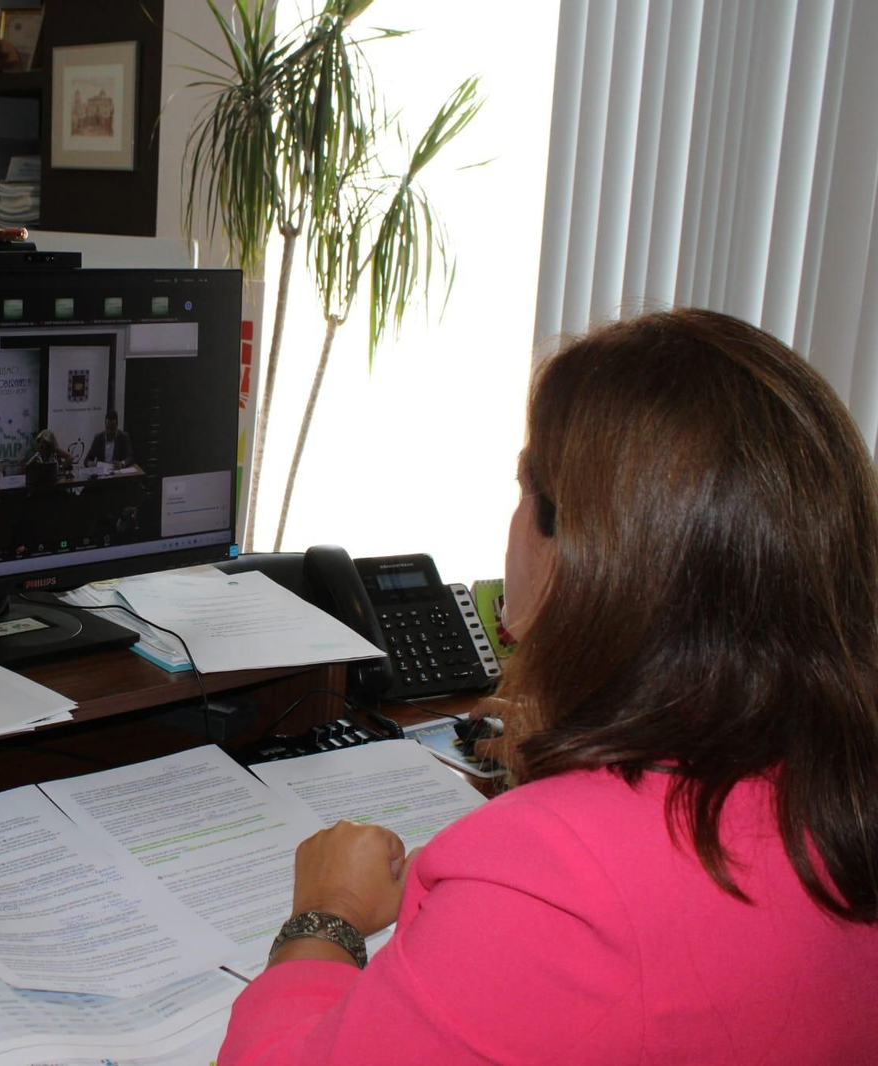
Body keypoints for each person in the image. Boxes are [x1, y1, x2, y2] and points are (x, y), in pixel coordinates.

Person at [220, 309, 878, 1063]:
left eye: (526, 489)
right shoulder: (840, 782)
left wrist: (328, 913)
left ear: (584, 551)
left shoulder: (552, 877)